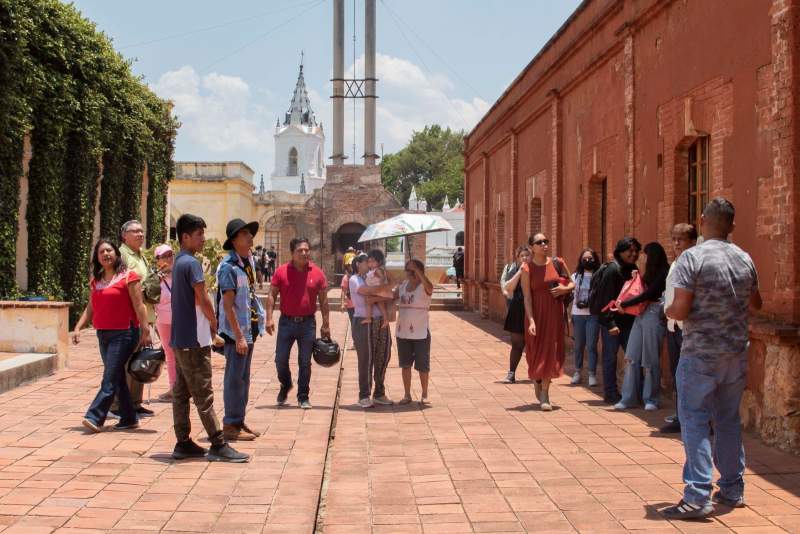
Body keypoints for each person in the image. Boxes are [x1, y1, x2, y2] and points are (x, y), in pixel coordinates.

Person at [662, 198, 761, 520]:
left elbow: (680, 308)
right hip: (734, 352)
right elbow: (755, 304)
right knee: (728, 420)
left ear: (702, 220)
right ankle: (733, 489)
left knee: (694, 420)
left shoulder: (693, 258)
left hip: (700, 354)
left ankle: (697, 495)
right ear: (732, 225)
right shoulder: (744, 258)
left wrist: (667, 310)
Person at [170, 214, 249, 462]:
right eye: (199, 235)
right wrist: (214, 322)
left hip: (180, 337)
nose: (203, 239)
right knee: (203, 393)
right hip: (194, 338)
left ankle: (183, 441)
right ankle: (217, 442)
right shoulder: (192, 264)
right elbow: (202, 297)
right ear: (185, 237)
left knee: (181, 393)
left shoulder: (178, 261)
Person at [73, 238, 152, 432]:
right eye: (101, 252)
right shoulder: (97, 281)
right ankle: (129, 418)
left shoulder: (129, 277)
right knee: (116, 377)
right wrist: (78, 327)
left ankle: (95, 416)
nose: (106, 254)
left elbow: (139, 304)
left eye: (109, 251)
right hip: (103, 334)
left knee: (109, 378)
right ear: (97, 257)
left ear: (116, 254)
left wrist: (146, 330)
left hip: (125, 333)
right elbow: (90, 307)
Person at [266, 237, 330, 409]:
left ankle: (303, 396)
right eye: (300, 250)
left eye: (306, 250)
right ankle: (286, 384)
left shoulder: (317, 273)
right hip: (286, 322)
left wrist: (326, 324)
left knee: (304, 361)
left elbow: (324, 301)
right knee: (280, 359)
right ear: (292, 253)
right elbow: (272, 294)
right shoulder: (281, 271)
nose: (304, 253)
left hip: (308, 324)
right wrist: (269, 318)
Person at [217, 218, 266, 441]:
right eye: (244, 234)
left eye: (250, 233)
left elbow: (251, 297)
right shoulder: (228, 268)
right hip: (236, 334)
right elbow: (228, 306)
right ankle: (229, 425)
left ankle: (238, 419)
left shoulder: (248, 263)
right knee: (234, 379)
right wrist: (238, 337)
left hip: (249, 330)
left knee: (244, 379)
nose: (250, 237)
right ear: (234, 240)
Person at [520, 233, 574, 411]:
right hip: (536, 314)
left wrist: (564, 288)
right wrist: (531, 320)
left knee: (551, 350)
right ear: (531, 247)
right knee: (534, 351)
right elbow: (527, 297)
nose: (544, 244)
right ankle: (537, 379)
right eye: (539, 242)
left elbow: (573, 283)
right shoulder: (527, 268)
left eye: (546, 241)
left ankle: (545, 393)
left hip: (554, 314)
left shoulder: (557, 262)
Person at [614, 242, 670, 411]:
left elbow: (649, 293)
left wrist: (626, 303)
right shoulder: (649, 272)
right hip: (642, 314)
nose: (642, 257)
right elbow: (641, 288)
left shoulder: (664, 271)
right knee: (632, 356)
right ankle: (628, 397)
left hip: (654, 313)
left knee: (650, 358)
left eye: (645, 254)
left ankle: (651, 398)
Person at [590, 237, 641, 404]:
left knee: (633, 357)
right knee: (610, 358)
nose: (633, 254)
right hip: (612, 324)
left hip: (629, 322)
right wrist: (610, 324)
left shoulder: (632, 268)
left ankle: (635, 392)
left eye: (636, 251)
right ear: (620, 252)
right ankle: (610, 393)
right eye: (630, 251)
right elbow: (605, 300)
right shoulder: (612, 270)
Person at [114, 220, 154, 417]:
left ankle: (135, 403)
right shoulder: (121, 255)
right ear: (124, 235)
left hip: (143, 315)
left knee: (139, 361)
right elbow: (119, 285)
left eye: (141, 230)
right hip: (128, 317)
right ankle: (117, 405)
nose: (140, 234)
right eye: (135, 231)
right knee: (124, 362)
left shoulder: (141, 256)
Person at [661, 223, 698, 433]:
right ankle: (680, 415)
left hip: (686, 326)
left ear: (692, 241)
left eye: (681, 239)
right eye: (674, 238)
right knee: (677, 374)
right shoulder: (675, 263)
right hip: (673, 325)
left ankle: (692, 418)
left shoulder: (693, 263)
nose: (676, 243)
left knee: (688, 375)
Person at [350, 253, 394, 408]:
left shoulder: (374, 276)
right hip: (364, 321)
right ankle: (364, 395)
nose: (368, 264)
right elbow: (367, 292)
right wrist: (385, 289)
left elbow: (386, 294)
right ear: (358, 264)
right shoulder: (355, 279)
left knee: (383, 355)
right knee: (366, 359)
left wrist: (384, 290)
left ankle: (379, 393)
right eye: (365, 262)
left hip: (380, 320)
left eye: (370, 261)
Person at [395, 259, 434, 404]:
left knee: (423, 365)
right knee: (405, 365)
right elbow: (392, 296)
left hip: (420, 331)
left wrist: (417, 270)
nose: (407, 272)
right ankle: (407, 394)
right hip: (403, 331)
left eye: (409, 270)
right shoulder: (404, 285)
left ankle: (424, 394)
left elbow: (430, 288)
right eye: (407, 269)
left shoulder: (424, 286)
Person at [500, 246, 531, 384]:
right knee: (517, 344)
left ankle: (537, 372)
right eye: (522, 256)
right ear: (518, 258)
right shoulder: (512, 270)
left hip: (533, 309)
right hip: (517, 309)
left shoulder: (536, 270)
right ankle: (511, 373)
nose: (525, 258)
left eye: (527, 255)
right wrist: (519, 272)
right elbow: (507, 288)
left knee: (534, 344)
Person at [570, 248, 601, 387]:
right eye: (585, 259)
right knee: (578, 345)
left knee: (592, 346)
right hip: (578, 314)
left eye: (590, 258)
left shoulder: (599, 275)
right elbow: (572, 295)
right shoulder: (575, 276)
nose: (587, 261)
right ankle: (577, 372)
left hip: (593, 315)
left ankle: (592, 374)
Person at [153, 244, 177, 402]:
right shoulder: (154, 277)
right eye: (164, 256)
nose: (168, 258)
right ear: (157, 260)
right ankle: (173, 388)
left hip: (180, 320)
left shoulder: (180, 274)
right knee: (170, 355)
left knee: (183, 354)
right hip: (163, 320)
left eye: (170, 255)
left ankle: (185, 388)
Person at [362, 249, 391, 328]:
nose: (370, 264)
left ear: (379, 262)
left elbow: (382, 278)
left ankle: (383, 319)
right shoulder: (372, 271)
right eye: (369, 261)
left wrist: (380, 287)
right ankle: (371, 318)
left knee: (376, 304)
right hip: (374, 290)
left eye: (373, 261)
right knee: (372, 303)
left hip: (377, 290)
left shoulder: (377, 270)